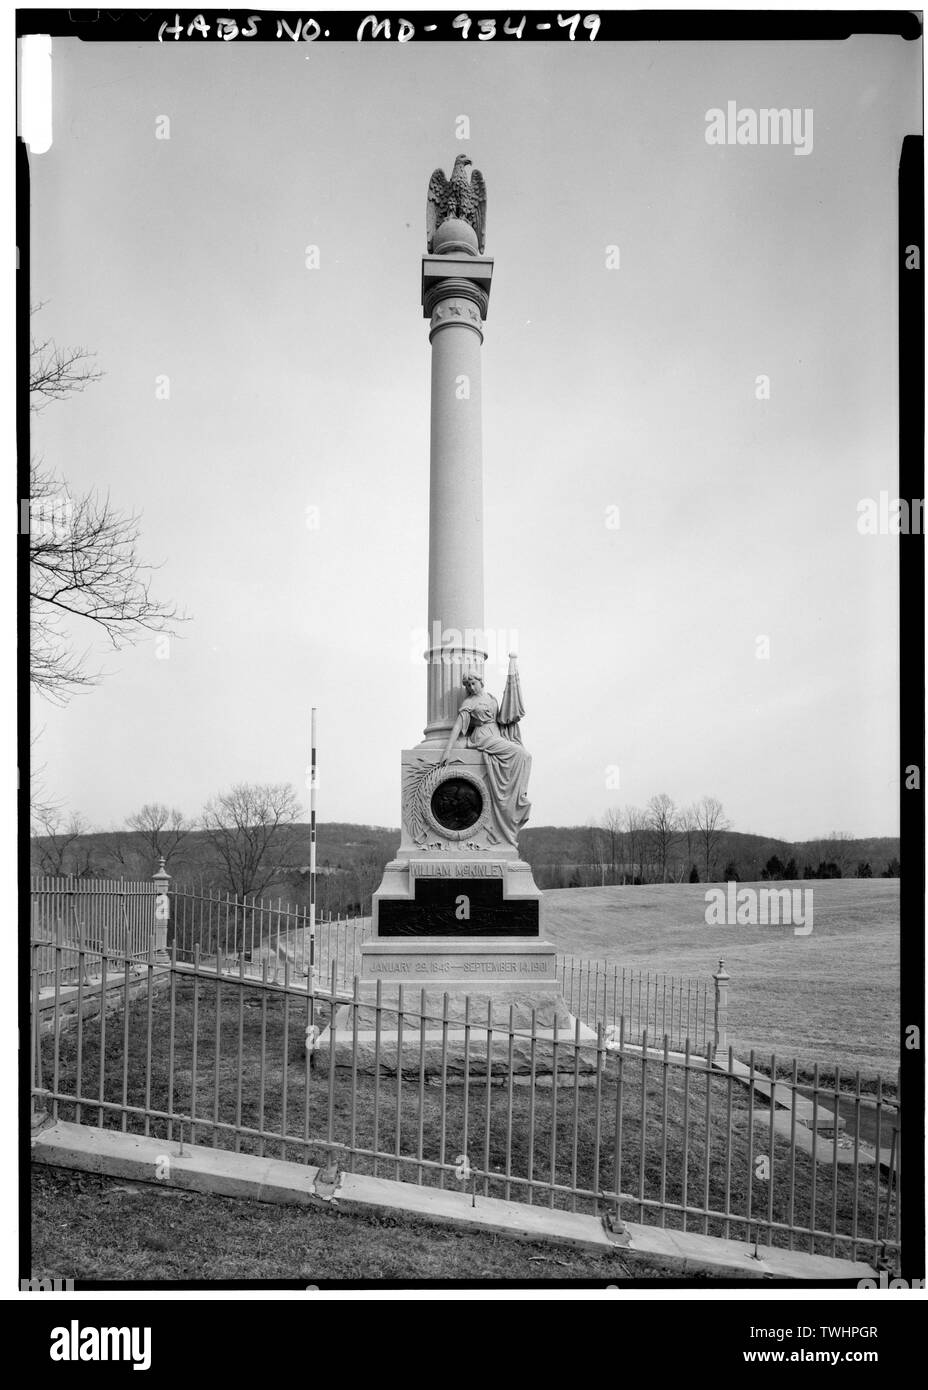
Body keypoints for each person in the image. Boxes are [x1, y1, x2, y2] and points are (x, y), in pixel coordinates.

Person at [438, 672, 531, 843]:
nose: (471, 688)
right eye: (467, 686)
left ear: (481, 681)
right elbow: (458, 725)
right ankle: (510, 800)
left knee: (524, 755)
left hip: (497, 734)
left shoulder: (491, 697)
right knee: (522, 754)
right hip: (483, 737)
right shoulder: (469, 702)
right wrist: (447, 750)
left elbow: (501, 719)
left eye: (473, 683)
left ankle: (515, 796)